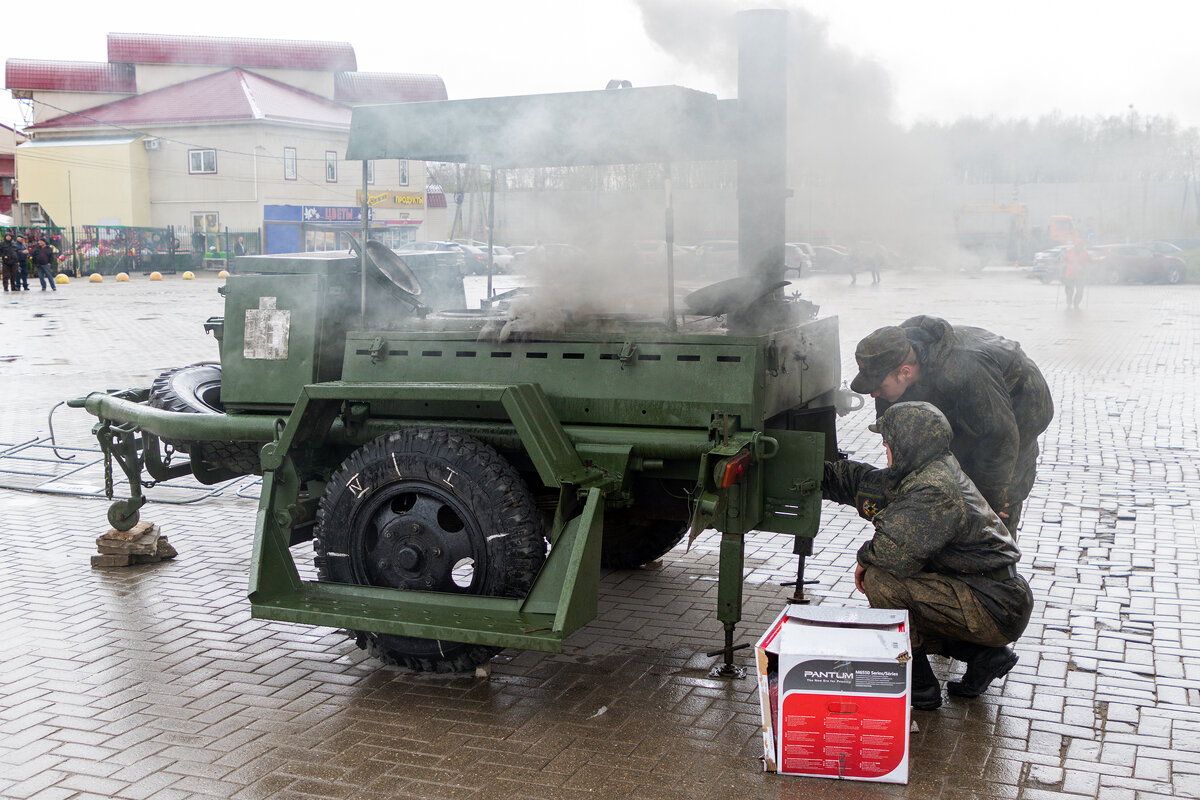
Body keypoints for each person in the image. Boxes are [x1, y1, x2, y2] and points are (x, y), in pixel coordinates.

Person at [822, 401, 1033, 710]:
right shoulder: (930, 468)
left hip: (995, 606)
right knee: (903, 617)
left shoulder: (934, 489)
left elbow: (891, 554)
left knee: (882, 582)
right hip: (992, 596)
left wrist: (864, 560)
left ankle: (920, 687)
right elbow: (870, 485)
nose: (883, 445)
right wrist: (824, 475)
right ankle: (985, 657)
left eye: (888, 440)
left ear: (907, 444)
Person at [850, 316, 1053, 535]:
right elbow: (896, 426)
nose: (873, 394)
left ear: (905, 372)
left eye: (879, 387)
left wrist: (990, 503)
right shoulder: (891, 357)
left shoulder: (965, 371)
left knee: (990, 514)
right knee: (947, 483)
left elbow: (1001, 437)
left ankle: (1000, 560)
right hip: (967, 405)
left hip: (1020, 407)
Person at [1061, 238, 1088, 308]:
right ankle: (1069, 303)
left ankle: (1076, 303)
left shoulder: (1084, 253)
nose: (1080, 247)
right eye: (1079, 245)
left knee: (1080, 291)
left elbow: (1088, 261)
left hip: (1080, 275)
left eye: (1081, 245)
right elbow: (1064, 259)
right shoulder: (1070, 252)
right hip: (1070, 274)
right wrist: (1062, 262)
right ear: (1075, 245)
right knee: (1069, 290)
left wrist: (1088, 266)